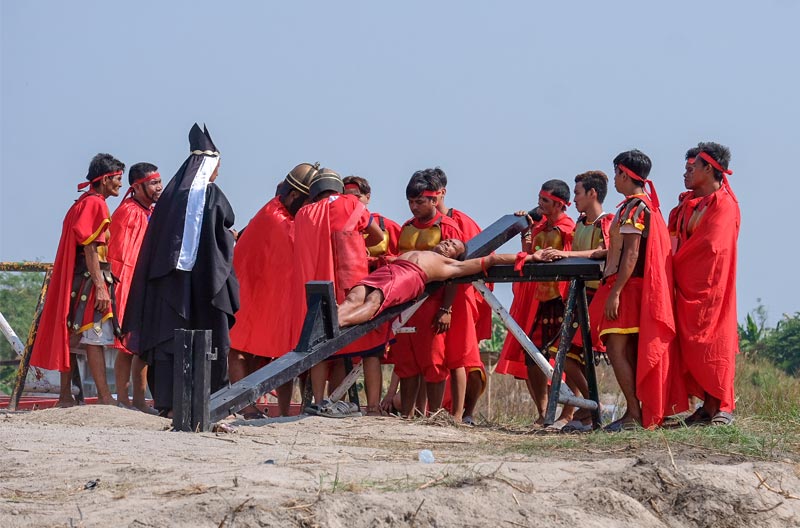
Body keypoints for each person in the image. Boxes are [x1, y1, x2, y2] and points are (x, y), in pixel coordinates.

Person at [123, 124, 239, 416]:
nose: (218, 173)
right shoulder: (211, 195)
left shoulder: (171, 198)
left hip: (169, 284)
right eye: (217, 167)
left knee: (170, 341)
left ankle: (171, 404)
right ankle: (210, 402)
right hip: (204, 283)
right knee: (204, 336)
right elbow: (222, 231)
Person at [589, 149, 687, 430]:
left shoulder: (634, 207)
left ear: (623, 174)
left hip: (628, 288)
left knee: (616, 348)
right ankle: (637, 412)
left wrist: (616, 292)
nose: (615, 180)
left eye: (617, 173)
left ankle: (633, 413)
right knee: (628, 350)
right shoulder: (646, 205)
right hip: (634, 286)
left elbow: (632, 254)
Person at [30, 153, 125, 407]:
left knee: (72, 337)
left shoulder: (81, 202)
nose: (119, 184)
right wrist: (100, 287)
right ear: (104, 179)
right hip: (88, 278)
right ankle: (105, 398)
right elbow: (91, 248)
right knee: (95, 336)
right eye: (117, 179)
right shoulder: (96, 204)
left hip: (77, 278)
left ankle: (65, 396)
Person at [228, 163, 319, 418]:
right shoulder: (275, 217)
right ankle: (244, 405)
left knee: (263, 351)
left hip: (265, 293)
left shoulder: (282, 213)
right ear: (293, 196)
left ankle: (257, 405)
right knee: (240, 348)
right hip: (250, 291)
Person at [293, 169, 384, 413]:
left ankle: (319, 402)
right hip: (352, 287)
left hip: (316, 288)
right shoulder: (352, 204)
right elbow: (378, 237)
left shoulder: (304, 213)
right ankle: (373, 407)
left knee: (321, 347)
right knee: (370, 348)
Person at [668, 142, 739, 426]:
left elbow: (712, 249)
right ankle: (706, 408)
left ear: (708, 169)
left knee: (715, 346)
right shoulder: (686, 204)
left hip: (712, 291)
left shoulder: (724, 205)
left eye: (693, 167)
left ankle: (722, 405)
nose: (688, 172)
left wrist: (676, 265)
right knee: (688, 348)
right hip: (684, 287)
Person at [495, 180, 576, 424]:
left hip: (563, 301)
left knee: (570, 358)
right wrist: (526, 229)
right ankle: (543, 413)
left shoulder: (569, 228)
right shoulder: (540, 226)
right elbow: (529, 253)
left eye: (545, 201)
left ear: (560, 205)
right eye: (540, 199)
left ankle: (569, 412)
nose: (539, 204)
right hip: (539, 302)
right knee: (532, 355)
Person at [540, 170, 613, 429]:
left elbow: (604, 252)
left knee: (570, 354)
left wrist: (566, 255)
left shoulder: (607, 222)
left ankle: (592, 406)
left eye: (579, 193)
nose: (576, 199)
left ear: (592, 193)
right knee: (564, 353)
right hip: (577, 292)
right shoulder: (582, 223)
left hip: (594, 296)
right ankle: (587, 407)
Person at [391, 171, 464, 418]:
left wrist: (447, 308)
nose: (414, 207)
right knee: (406, 362)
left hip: (434, 303)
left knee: (434, 361)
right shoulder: (406, 228)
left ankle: (435, 415)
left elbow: (456, 271)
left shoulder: (448, 228)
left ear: (434, 200)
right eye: (410, 202)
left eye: (419, 201)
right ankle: (408, 415)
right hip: (405, 305)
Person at [339, 239, 534, 325]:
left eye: (452, 246)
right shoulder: (422, 251)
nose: (447, 243)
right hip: (390, 270)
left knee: (374, 300)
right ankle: (334, 321)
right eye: (447, 240)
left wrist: (532, 257)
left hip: (410, 276)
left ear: (456, 257)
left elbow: (492, 260)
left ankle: (341, 322)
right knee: (355, 295)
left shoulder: (450, 265)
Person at [342, 175, 401, 415]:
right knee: (338, 352)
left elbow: (404, 259)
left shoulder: (386, 226)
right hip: (346, 292)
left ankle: (374, 407)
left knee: (372, 351)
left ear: (367, 197)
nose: (352, 200)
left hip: (375, 294)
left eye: (356, 196)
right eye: (347, 195)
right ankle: (337, 403)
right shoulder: (338, 221)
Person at [432, 167, 487, 424]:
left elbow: (478, 260)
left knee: (464, 356)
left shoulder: (461, 222)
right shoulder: (420, 224)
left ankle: (465, 413)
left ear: (441, 193)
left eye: (431, 196)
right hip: (432, 295)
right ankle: (432, 410)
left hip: (461, 296)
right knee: (432, 357)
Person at [108, 162, 162, 414]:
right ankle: (125, 399)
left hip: (146, 287)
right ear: (137, 187)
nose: (158, 187)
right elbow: (122, 259)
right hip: (130, 287)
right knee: (128, 345)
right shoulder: (129, 212)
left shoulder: (150, 210)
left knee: (142, 345)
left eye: (158, 181)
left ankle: (139, 400)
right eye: (153, 183)